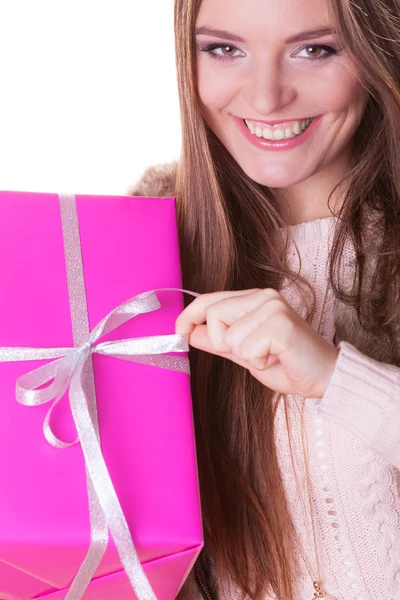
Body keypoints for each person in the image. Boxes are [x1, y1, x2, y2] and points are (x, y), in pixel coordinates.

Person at [130, 0, 400, 597]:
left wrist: (337, 379)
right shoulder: (139, 249)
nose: (266, 97)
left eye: (315, 49)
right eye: (225, 49)